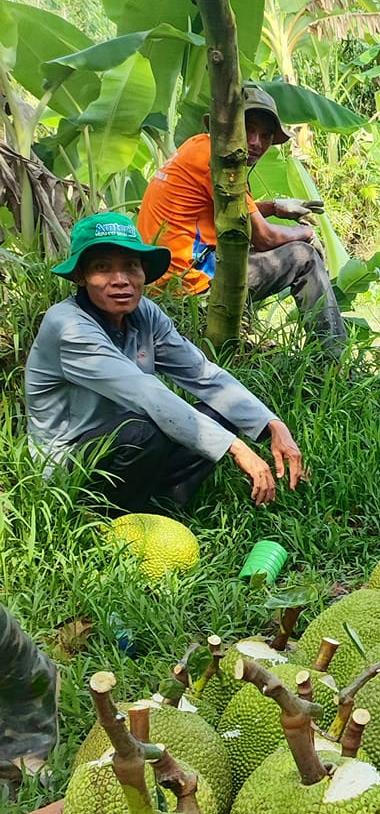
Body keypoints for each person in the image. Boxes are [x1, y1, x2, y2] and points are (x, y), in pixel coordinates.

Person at [24, 212, 306, 514]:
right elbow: (147, 394)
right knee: (144, 427)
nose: (120, 281)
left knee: (221, 413)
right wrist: (234, 448)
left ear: (143, 271)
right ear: (81, 277)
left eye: (131, 266)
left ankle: (163, 505)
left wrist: (272, 423)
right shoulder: (68, 326)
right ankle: (113, 521)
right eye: (102, 268)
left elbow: (203, 375)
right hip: (70, 464)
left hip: (128, 440)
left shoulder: (145, 313)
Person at [137, 84, 347, 351]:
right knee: (303, 257)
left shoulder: (199, 146)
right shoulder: (220, 161)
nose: (256, 142)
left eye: (265, 135)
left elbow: (228, 212)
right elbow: (264, 237)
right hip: (191, 289)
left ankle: (245, 336)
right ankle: (333, 358)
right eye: (248, 129)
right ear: (226, 126)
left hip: (168, 282)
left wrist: (275, 207)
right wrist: (306, 234)